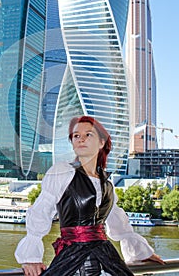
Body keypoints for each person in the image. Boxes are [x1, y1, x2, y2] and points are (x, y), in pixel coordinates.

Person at [15, 116, 164, 276]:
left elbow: (118, 222)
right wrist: (31, 257)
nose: (81, 139)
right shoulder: (62, 172)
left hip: (107, 256)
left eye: (88, 135)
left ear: (101, 143)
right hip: (72, 258)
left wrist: (142, 254)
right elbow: (40, 212)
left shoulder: (107, 183)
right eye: (76, 136)